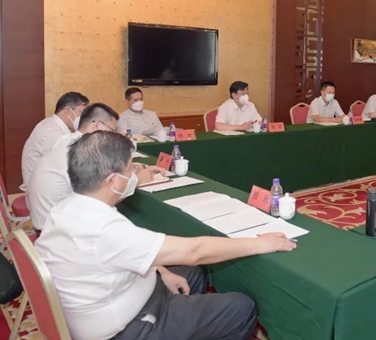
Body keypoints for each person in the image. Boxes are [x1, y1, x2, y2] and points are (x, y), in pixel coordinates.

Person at [35, 131, 296, 340]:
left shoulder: (67, 206)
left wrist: (160, 272)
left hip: (114, 301)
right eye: (130, 170)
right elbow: (194, 252)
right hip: (129, 328)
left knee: (191, 274)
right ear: (113, 181)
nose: (133, 176)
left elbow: (127, 254)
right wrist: (259, 244)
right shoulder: (102, 228)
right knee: (241, 307)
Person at [27, 103, 164, 232]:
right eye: (112, 131)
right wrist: (139, 179)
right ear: (97, 126)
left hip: (50, 219)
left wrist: (131, 168)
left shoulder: (69, 141)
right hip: (59, 230)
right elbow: (105, 197)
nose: (113, 136)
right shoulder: (80, 151)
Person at [21, 91, 89, 186]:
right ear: (68, 111)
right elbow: (70, 165)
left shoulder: (50, 124)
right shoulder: (52, 133)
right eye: (81, 113)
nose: (84, 118)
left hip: (45, 182)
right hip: (42, 187)